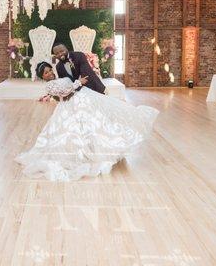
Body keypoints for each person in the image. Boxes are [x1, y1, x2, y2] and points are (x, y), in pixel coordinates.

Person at [15, 62, 159, 181]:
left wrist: (77, 84)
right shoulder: (49, 86)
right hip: (69, 107)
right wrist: (79, 82)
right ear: (42, 76)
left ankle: (98, 147)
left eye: (49, 70)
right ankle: (81, 154)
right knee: (72, 131)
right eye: (45, 73)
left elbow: (68, 89)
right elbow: (65, 92)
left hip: (80, 100)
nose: (49, 73)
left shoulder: (58, 78)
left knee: (95, 122)